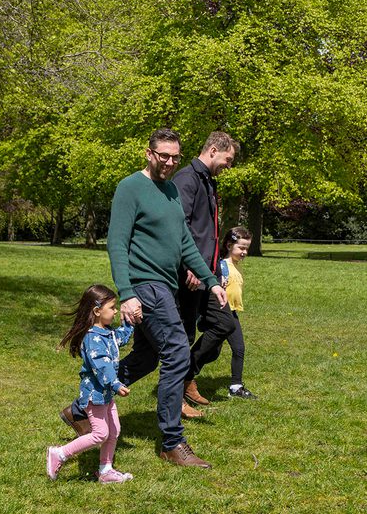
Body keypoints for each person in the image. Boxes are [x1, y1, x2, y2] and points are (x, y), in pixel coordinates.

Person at [60, 128, 227, 469]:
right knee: (178, 352)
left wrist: (210, 281)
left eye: (174, 157)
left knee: (148, 357)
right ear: (149, 153)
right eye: (163, 155)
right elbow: (117, 243)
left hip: (165, 285)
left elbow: (184, 244)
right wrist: (127, 294)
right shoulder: (130, 187)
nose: (169, 162)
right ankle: (171, 441)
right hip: (146, 285)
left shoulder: (170, 193)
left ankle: (80, 407)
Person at [174, 131, 238, 414]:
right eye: (228, 159)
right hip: (190, 276)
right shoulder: (187, 179)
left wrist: (215, 270)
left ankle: (188, 375)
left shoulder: (207, 182)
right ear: (213, 150)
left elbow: (207, 233)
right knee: (185, 335)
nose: (229, 165)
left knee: (224, 323)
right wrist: (191, 266)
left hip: (208, 275)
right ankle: (177, 397)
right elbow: (181, 226)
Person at [48, 284, 135, 484]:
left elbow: (119, 338)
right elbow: (101, 366)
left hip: (104, 395)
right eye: (112, 308)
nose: (115, 311)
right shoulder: (93, 339)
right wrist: (115, 384)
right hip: (95, 395)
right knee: (100, 434)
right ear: (97, 311)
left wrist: (129, 323)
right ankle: (59, 453)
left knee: (114, 431)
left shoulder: (107, 332)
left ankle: (105, 470)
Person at [189, 226, 257, 399]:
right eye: (241, 247)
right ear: (228, 245)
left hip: (231, 311)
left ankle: (235, 386)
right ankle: (186, 372)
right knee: (212, 352)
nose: (244, 252)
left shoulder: (236, 265)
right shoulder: (222, 265)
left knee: (238, 348)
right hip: (221, 311)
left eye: (246, 248)